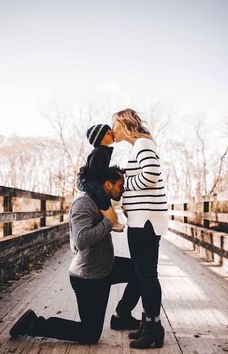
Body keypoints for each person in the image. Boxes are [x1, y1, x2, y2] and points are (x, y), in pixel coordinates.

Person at [9, 166, 141, 344]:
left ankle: (122, 316)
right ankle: (33, 324)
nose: (122, 189)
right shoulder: (84, 202)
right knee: (89, 334)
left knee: (141, 272)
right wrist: (108, 223)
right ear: (108, 184)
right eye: (120, 184)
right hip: (88, 278)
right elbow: (81, 240)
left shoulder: (100, 201)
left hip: (106, 267)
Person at [112, 109, 168, 349]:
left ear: (124, 125)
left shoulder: (144, 144)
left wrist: (125, 187)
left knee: (147, 275)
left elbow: (151, 176)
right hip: (140, 220)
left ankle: (154, 328)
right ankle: (147, 324)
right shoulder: (139, 146)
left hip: (146, 221)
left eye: (114, 125)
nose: (112, 130)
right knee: (143, 273)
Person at [76, 123, 125, 232]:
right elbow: (94, 168)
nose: (111, 133)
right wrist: (108, 174)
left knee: (104, 195)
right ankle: (111, 221)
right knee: (100, 193)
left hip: (90, 178)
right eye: (108, 133)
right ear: (100, 139)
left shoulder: (104, 151)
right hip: (84, 179)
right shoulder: (99, 152)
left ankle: (111, 220)